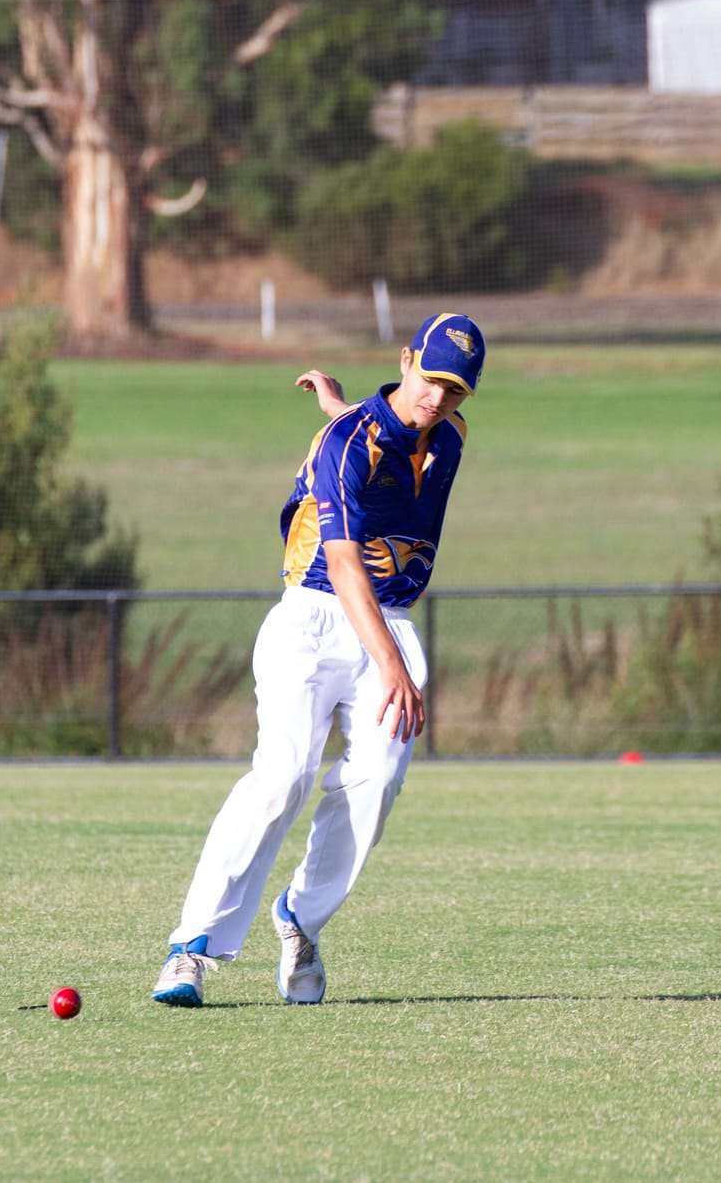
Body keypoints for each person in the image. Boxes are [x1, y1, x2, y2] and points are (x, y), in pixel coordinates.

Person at [152, 313, 486, 1007]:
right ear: (405, 359)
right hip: (312, 613)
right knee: (283, 775)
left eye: (454, 390)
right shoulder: (343, 443)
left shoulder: (447, 437)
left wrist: (338, 403)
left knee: (379, 777)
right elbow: (340, 560)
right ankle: (191, 949)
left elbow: (383, 431)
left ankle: (298, 917)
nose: (437, 399)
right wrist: (392, 665)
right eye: (428, 380)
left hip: (389, 618)